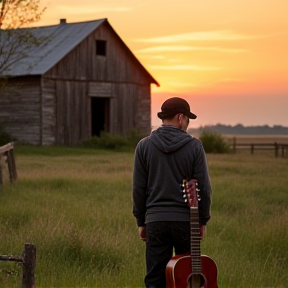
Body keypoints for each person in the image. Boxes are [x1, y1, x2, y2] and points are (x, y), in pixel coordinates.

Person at [132, 97, 212, 288]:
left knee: (154, 279)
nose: (187, 124)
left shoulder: (143, 146)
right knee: (187, 279)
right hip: (186, 222)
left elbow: (138, 189)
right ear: (180, 117)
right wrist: (202, 220)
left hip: (156, 221)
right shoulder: (194, 146)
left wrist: (141, 221)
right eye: (187, 120)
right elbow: (205, 189)